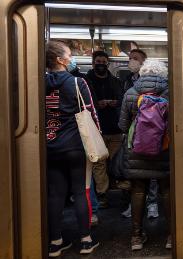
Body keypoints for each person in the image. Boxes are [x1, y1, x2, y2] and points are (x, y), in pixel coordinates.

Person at [45, 40, 99, 257]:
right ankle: (86, 240)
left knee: (55, 195)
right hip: (75, 146)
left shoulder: (39, 83)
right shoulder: (77, 83)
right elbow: (91, 113)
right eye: (69, 55)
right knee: (81, 192)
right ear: (60, 60)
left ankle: (55, 242)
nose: (71, 58)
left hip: (50, 146)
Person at [118, 60, 171, 250]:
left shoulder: (130, 93)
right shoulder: (170, 93)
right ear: (163, 74)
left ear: (142, 73)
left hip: (136, 151)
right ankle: (171, 236)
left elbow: (123, 126)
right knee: (166, 191)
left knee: (138, 191)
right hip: (163, 151)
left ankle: (136, 237)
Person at [85, 51, 123, 208]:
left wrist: (115, 102)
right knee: (99, 163)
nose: (101, 64)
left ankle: (114, 185)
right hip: (95, 127)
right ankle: (102, 193)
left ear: (107, 63)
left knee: (113, 161)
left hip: (115, 128)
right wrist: (96, 104)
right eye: (98, 61)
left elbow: (122, 99)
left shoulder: (116, 81)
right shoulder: (86, 81)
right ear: (93, 63)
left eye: (104, 61)